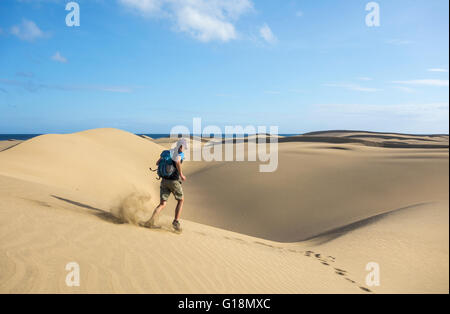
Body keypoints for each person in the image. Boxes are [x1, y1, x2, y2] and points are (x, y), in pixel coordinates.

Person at [145, 138, 187, 232]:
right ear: (181, 146)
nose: (184, 149)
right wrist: (181, 174)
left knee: (162, 204)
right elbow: (177, 162)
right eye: (184, 147)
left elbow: (157, 163)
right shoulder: (179, 154)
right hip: (174, 181)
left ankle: (151, 221)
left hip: (164, 180)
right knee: (181, 200)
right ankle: (176, 221)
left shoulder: (165, 152)